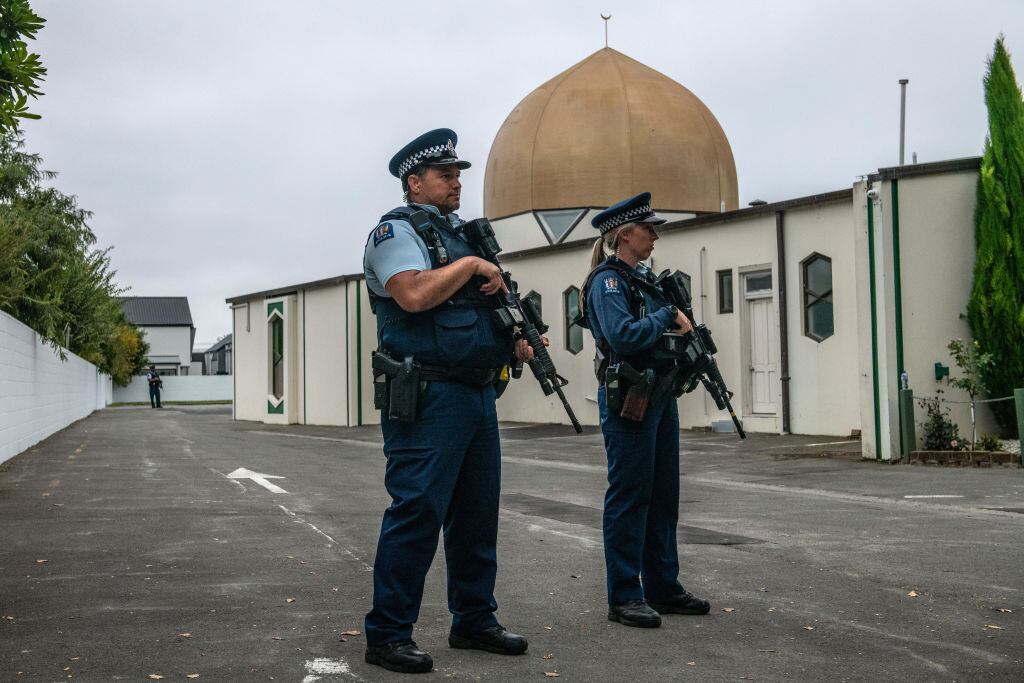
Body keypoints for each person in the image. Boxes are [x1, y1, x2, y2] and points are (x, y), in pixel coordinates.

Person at [361, 128, 530, 674]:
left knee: (477, 516)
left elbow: (477, 313)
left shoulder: (460, 236)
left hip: (477, 392)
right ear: (415, 183)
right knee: (416, 511)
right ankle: (387, 634)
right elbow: (412, 295)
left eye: (459, 173)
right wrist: (473, 268)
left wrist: (517, 340)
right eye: (445, 174)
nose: (457, 182)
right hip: (428, 395)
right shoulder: (396, 232)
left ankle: (474, 620)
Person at [578, 192, 711, 628]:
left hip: (659, 395)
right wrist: (666, 316)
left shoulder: (645, 281)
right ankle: (625, 595)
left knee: (662, 496)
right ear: (624, 234)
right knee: (630, 495)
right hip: (628, 399)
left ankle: (663, 586)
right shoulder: (608, 282)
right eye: (647, 228)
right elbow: (623, 336)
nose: (654, 235)